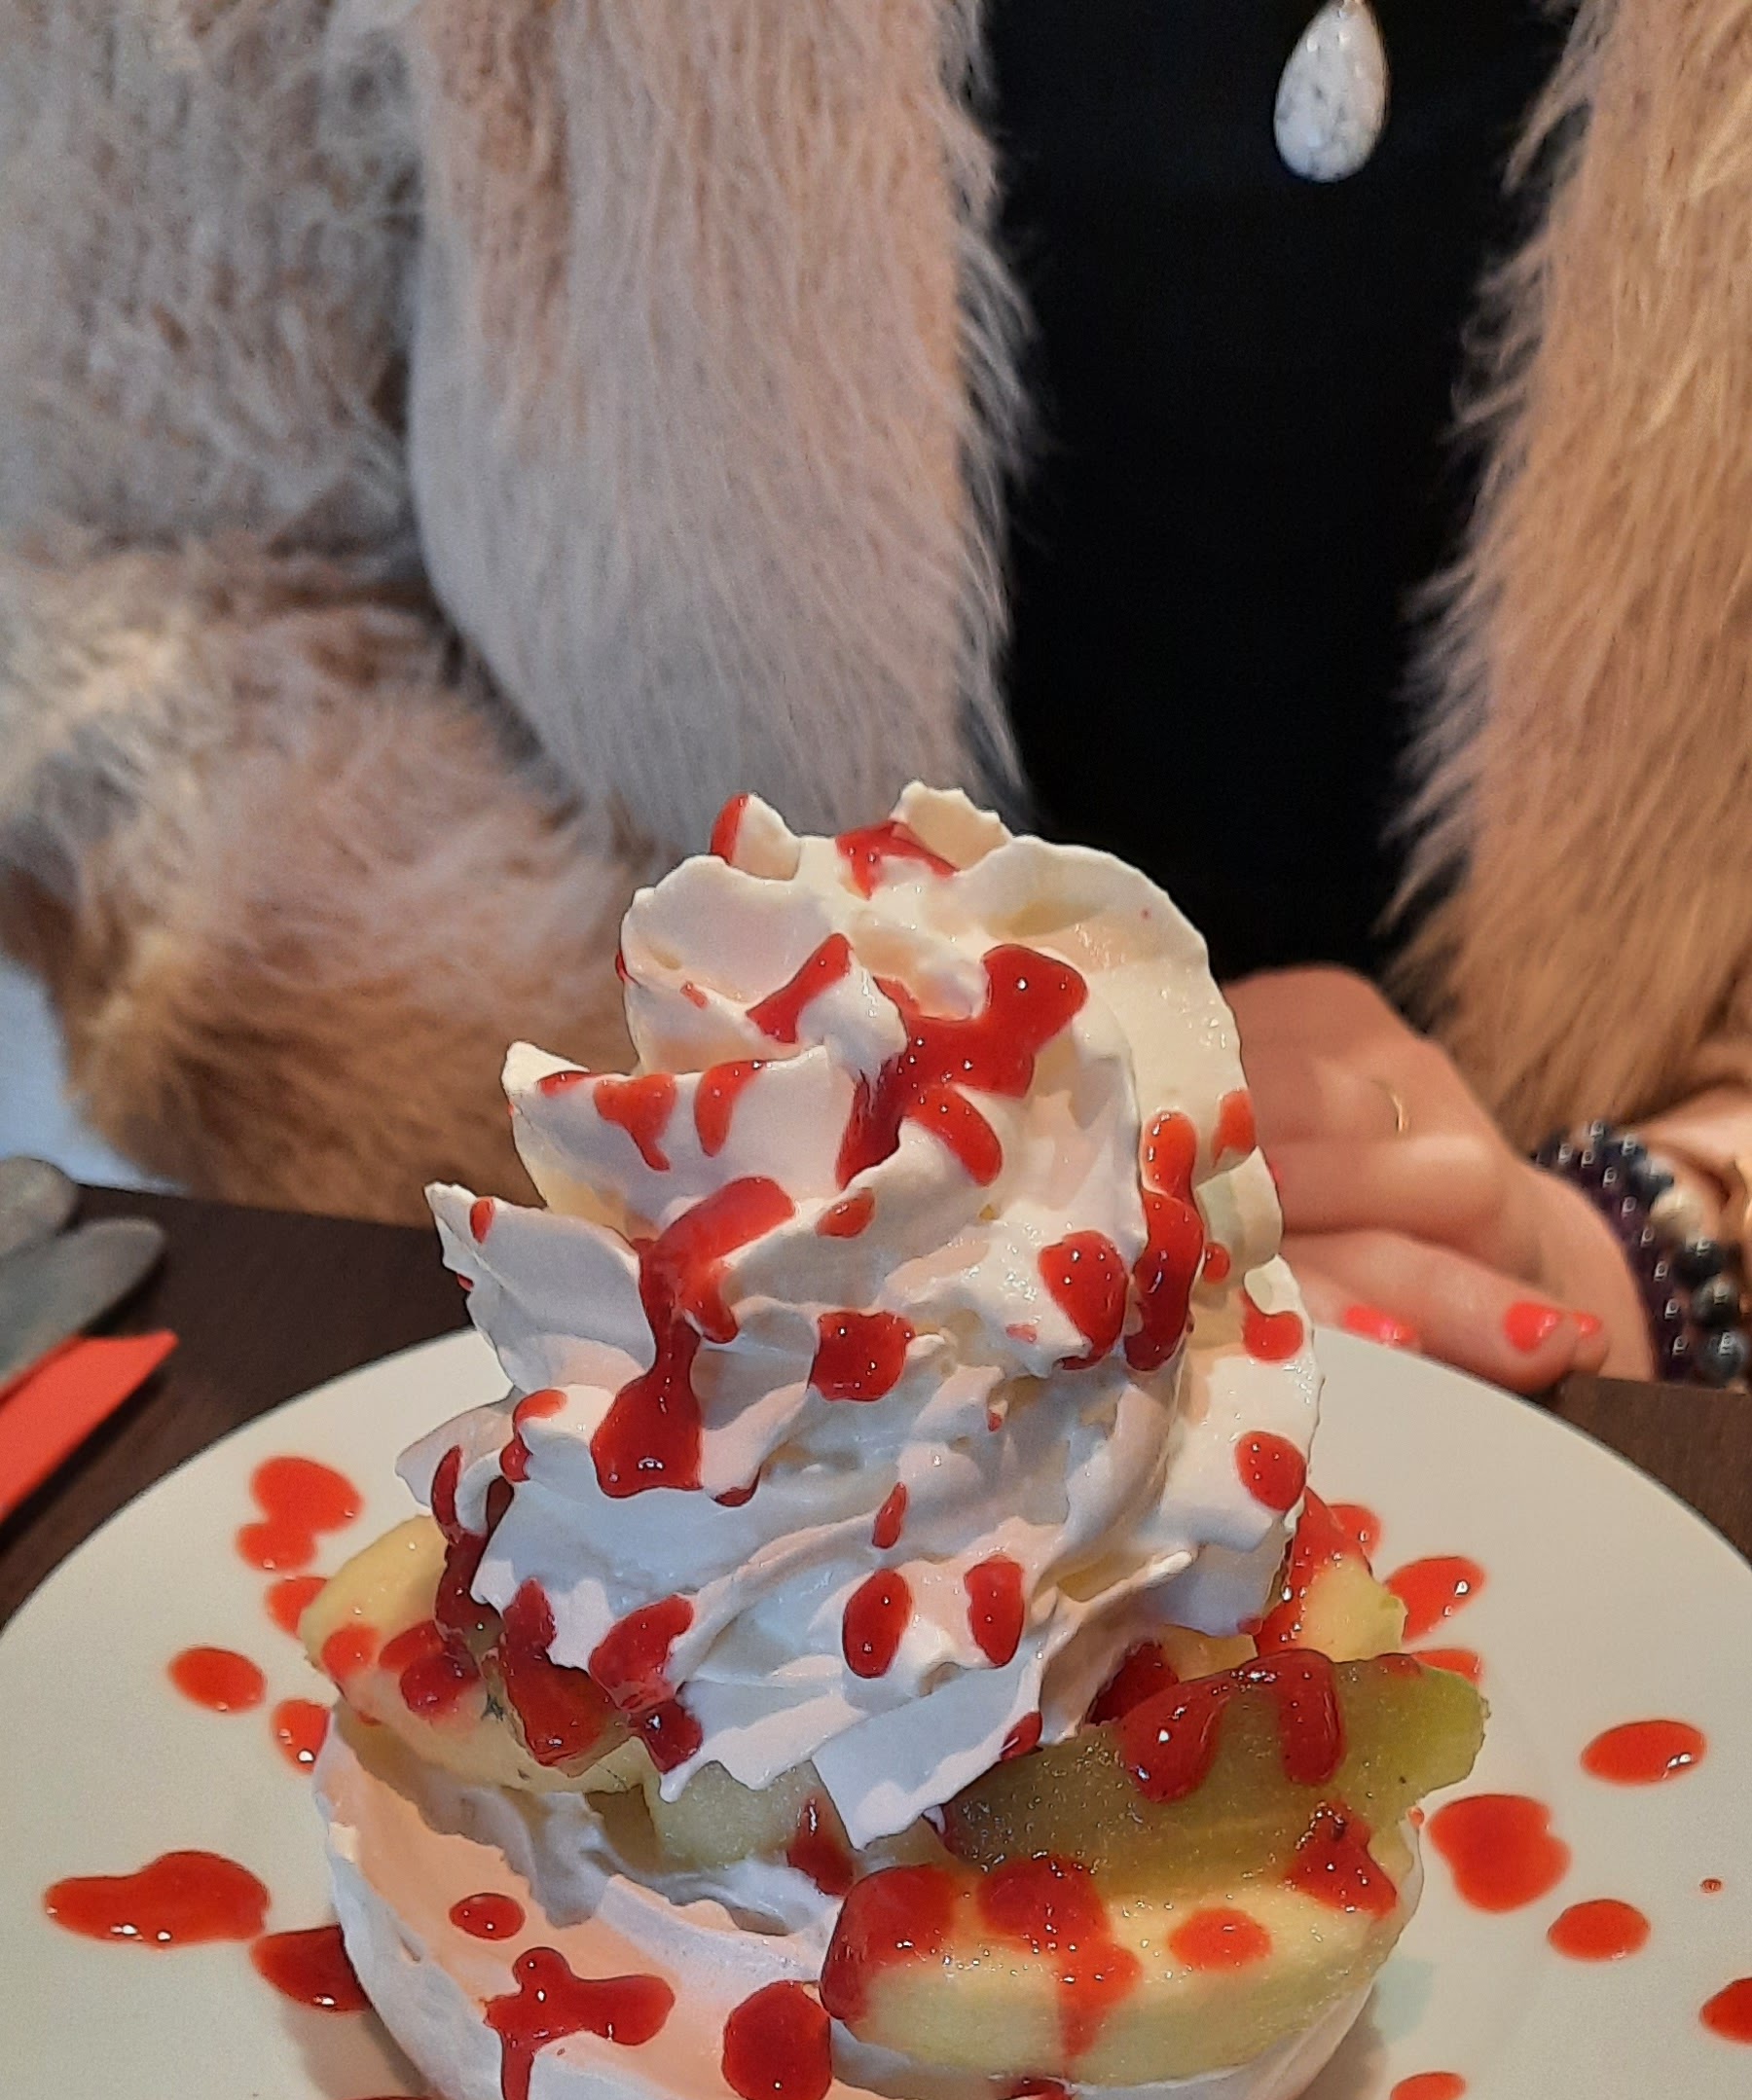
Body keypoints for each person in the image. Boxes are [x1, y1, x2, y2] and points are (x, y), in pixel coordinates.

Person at [0, 0, 1745, 1395]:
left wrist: (1657, 1243)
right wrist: (734, 1150)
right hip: (617, 1416)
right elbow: (120, 578)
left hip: (1557, 1430)